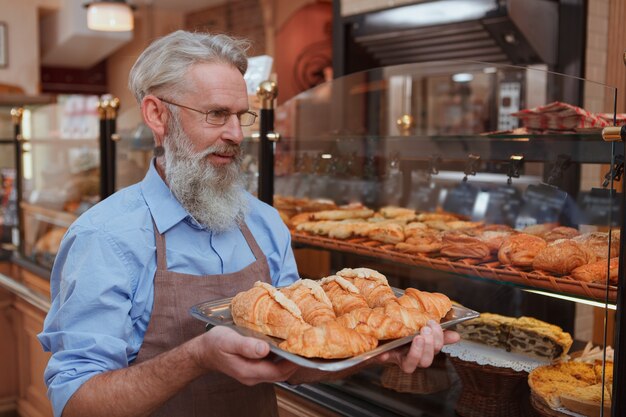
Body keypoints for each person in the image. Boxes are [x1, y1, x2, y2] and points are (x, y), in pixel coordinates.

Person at [38, 30, 459, 417]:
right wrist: (197, 356)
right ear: (157, 115)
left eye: (243, 116)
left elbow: (294, 362)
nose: (237, 134)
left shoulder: (264, 223)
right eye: (217, 114)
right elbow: (77, 402)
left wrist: (379, 352)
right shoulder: (105, 237)